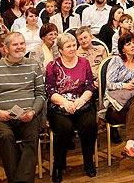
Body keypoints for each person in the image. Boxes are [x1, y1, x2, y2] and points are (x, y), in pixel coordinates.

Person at [0, 33, 46, 183]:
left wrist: (33, 111)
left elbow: (41, 95)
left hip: (27, 116)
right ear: (6, 48)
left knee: (32, 137)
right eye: (15, 44)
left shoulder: (33, 66)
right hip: (1, 118)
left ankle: (19, 181)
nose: (20, 47)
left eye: (22, 43)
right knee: (6, 137)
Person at [45, 33, 98, 181]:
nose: (73, 48)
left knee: (89, 125)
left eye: (74, 45)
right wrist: (65, 103)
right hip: (60, 105)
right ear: (60, 50)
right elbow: (50, 91)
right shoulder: (53, 66)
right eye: (68, 46)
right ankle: (58, 165)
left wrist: (81, 100)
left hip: (81, 103)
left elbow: (90, 85)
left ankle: (88, 163)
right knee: (64, 128)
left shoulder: (84, 62)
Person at [103, 32, 134, 177]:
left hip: (133, 105)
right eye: (128, 43)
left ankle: (130, 145)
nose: (133, 45)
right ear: (122, 48)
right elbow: (109, 84)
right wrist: (125, 86)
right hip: (116, 107)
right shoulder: (116, 61)